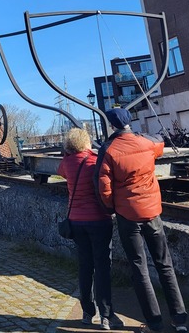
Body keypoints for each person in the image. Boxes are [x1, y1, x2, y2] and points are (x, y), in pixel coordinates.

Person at [96, 109, 188, 333]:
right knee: (165, 265)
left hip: (128, 215)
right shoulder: (146, 143)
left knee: (140, 269)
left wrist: (111, 207)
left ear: (112, 125)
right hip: (152, 212)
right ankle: (180, 319)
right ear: (129, 123)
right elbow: (160, 143)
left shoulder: (109, 150)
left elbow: (103, 186)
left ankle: (154, 323)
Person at [58, 127, 124, 331]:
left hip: (77, 222)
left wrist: (68, 154)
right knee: (102, 267)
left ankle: (87, 312)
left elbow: (60, 171)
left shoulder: (67, 163)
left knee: (85, 267)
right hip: (99, 220)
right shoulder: (95, 159)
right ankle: (106, 315)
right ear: (87, 142)